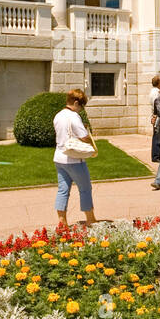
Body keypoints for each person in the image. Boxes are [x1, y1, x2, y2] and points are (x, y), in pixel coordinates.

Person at [53, 88, 97, 228]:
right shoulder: (74, 116)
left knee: (63, 189)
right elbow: (83, 136)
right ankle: (90, 219)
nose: (81, 109)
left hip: (59, 157)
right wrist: (91, 144)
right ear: (76, 103)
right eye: (82, 105)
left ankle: (62, 221)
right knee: (85, 188)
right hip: (74, 158)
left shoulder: (58, 115)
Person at [149, 75, 160, 164]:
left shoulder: (154, 91)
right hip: (157, 116)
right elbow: (157, 105)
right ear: (158, 82)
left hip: (156, 115)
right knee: (157, 136)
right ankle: (156, 156)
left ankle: (157, 154)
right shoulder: (156, 93)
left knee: (157, 135)